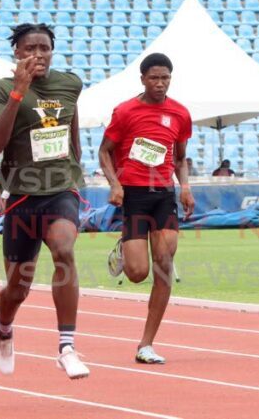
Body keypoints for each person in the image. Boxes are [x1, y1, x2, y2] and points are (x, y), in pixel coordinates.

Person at [0, 23, 89, 379]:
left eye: (44, 48)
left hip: (61, 188)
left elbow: (71, 127)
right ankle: (3, 328)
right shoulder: (1, 88)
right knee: (17, 288)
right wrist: (18, 92)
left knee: (64, 249)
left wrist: (77, 167)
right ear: (17, 53)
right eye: (30, 48)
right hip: (22, 195)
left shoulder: (70, 84)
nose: (38, 55)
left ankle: (67, 346)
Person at [98, 53, 194, 365]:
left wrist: (186, 187)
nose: (160, 83)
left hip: (164, 195)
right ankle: (125, 249)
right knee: (138, 273)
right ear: (142, 79)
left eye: (165, 77)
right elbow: (104, 152)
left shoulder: (180, 113)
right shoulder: (125, 111)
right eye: (154, 78)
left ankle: (146, 343)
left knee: (164, 263)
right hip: (134, 195)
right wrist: (115, 184)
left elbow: (180, 157)